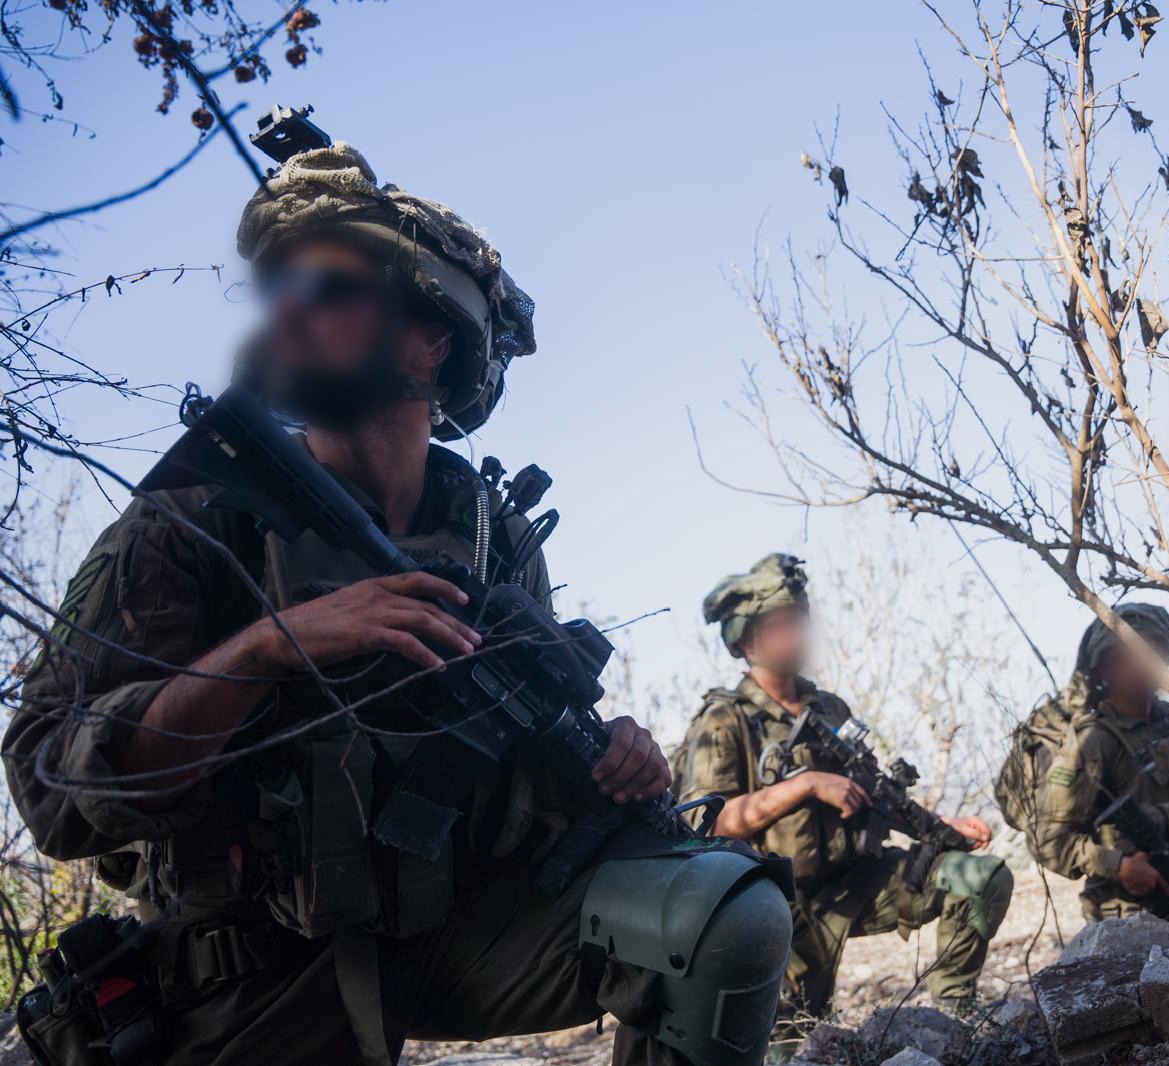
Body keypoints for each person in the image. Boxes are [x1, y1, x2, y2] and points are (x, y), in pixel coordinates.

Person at [6, 124, 786, 1066]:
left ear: (430, 340)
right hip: (252, 972)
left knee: (718, 911)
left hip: (458, 933)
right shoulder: (202, 513)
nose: (284, 314)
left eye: (328, 287)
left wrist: (615, 758)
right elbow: (53, 787)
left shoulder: (491, 536)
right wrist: (268, 649)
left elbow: (528, 755)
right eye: (275, 289)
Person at [673, 554, 1013, 1020]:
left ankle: (957, 1014)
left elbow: (875, 792)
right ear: (748, 641)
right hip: (775, 907)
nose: (797, 634)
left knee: (980, 878)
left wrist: (937, 826)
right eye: (781, 625)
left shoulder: (829, 708)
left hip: (858, 882)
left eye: (799, 621)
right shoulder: (725, 719)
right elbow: (706, 823)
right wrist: (805, 785)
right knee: (793, 1043)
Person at [995, 603, 1169, 928]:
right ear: (1103, 668)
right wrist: (1119, 865)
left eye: (1153, 652)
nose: (1143, 665)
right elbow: (1048, 840)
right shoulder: (1093, 739)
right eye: (1127, 657)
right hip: (1129, 919)